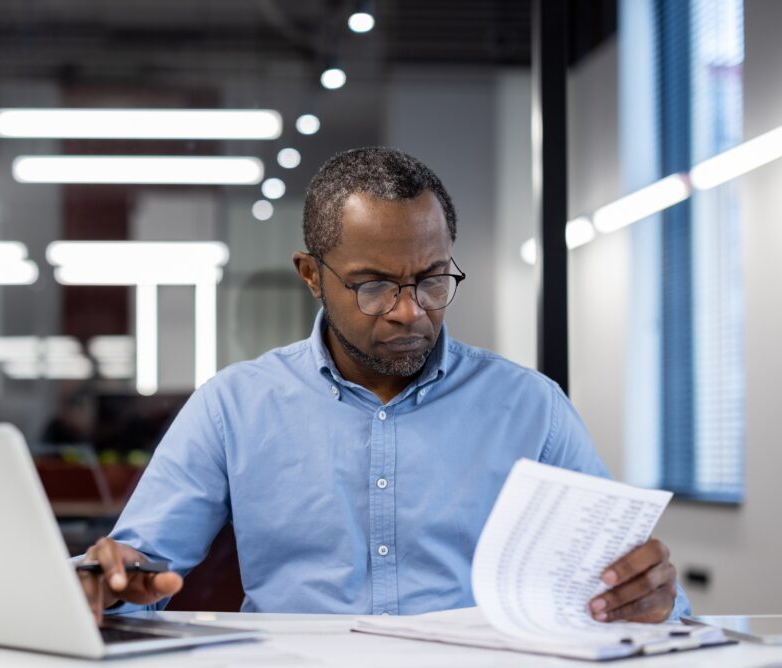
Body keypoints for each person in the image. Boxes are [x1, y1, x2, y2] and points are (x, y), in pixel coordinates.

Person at [77, 147, 688, 625]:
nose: (408, 311)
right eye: (373, 285)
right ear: (312, 275)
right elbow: (134, 579)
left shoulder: (530, 409)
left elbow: (637, 590)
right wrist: (107, 584)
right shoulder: (234, 407)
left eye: (431, 279)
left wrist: (649, 596)